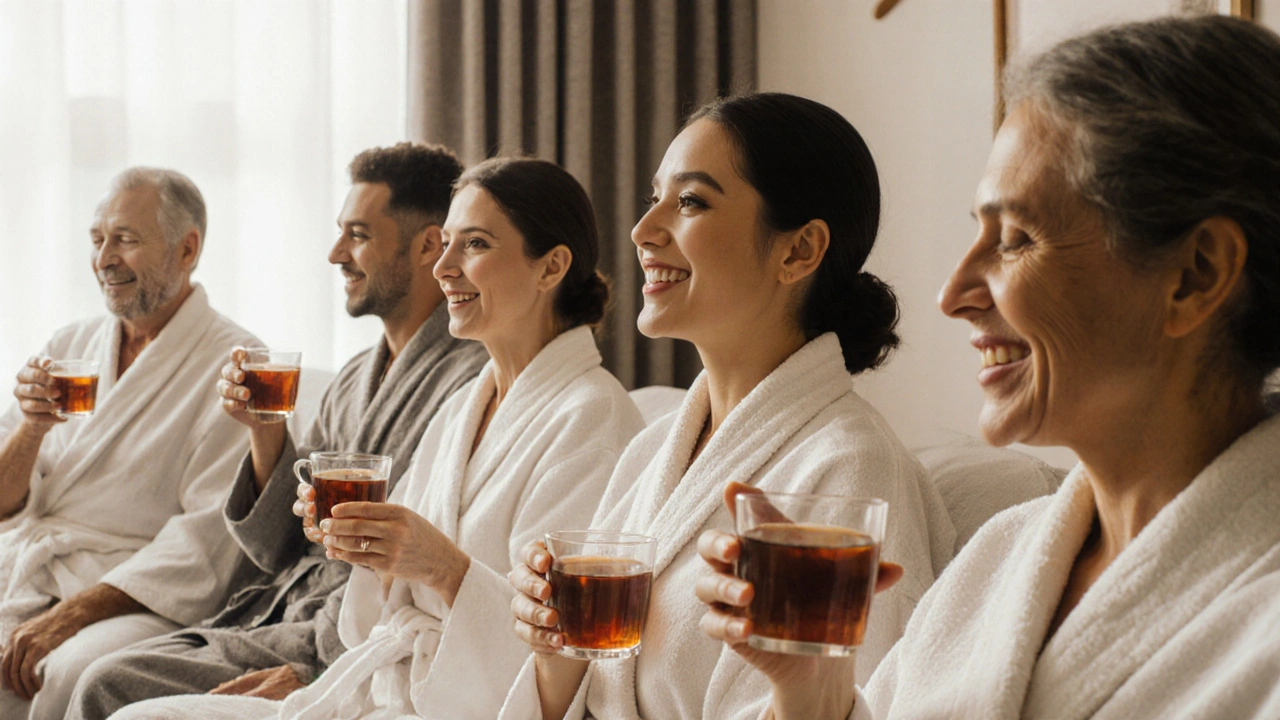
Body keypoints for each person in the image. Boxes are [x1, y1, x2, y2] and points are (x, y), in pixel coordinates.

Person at [696, 16, 1280, 720]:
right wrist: (811, 691)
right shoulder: (1000, 561)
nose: (952, 295)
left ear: (1194, 274)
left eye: (1016, 239)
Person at [108, 157, 646, 720]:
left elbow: (563, 657)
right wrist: (371, 550)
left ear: (551, 266)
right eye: (447, 244)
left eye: (476, 245)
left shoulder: (592, 420)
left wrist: (441, 568)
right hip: (392, 682)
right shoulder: (468, 406)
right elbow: (370, 595)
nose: (444, 267)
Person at [502, 93, 956, 720]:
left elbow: (852, 701)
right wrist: (555, 652)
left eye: (690, 201)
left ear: (798, 251)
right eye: (652, 198)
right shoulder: (651, 452)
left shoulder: (850, 473)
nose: (641, 231)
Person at [67, 143, 488, 719]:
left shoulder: (469, 383)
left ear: (427, 246)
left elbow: (426, 573)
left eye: (359, 235)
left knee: (106, 682)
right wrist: (266, 430)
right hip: (282, 611)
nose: (337, 253)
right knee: (106, 674)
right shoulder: (353, 378)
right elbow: (276, 549)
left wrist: (322, 668)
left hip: (339, 634)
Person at [0, 168, 259, 720]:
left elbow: (206, 540)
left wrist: (70, 614)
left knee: (69, 670)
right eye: (97, 240)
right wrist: (32, 427)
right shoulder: (71, 344)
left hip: (142, 591)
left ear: (187, 249)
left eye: (126, 239)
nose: (104, 258)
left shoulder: (235, 364)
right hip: (36, 564)